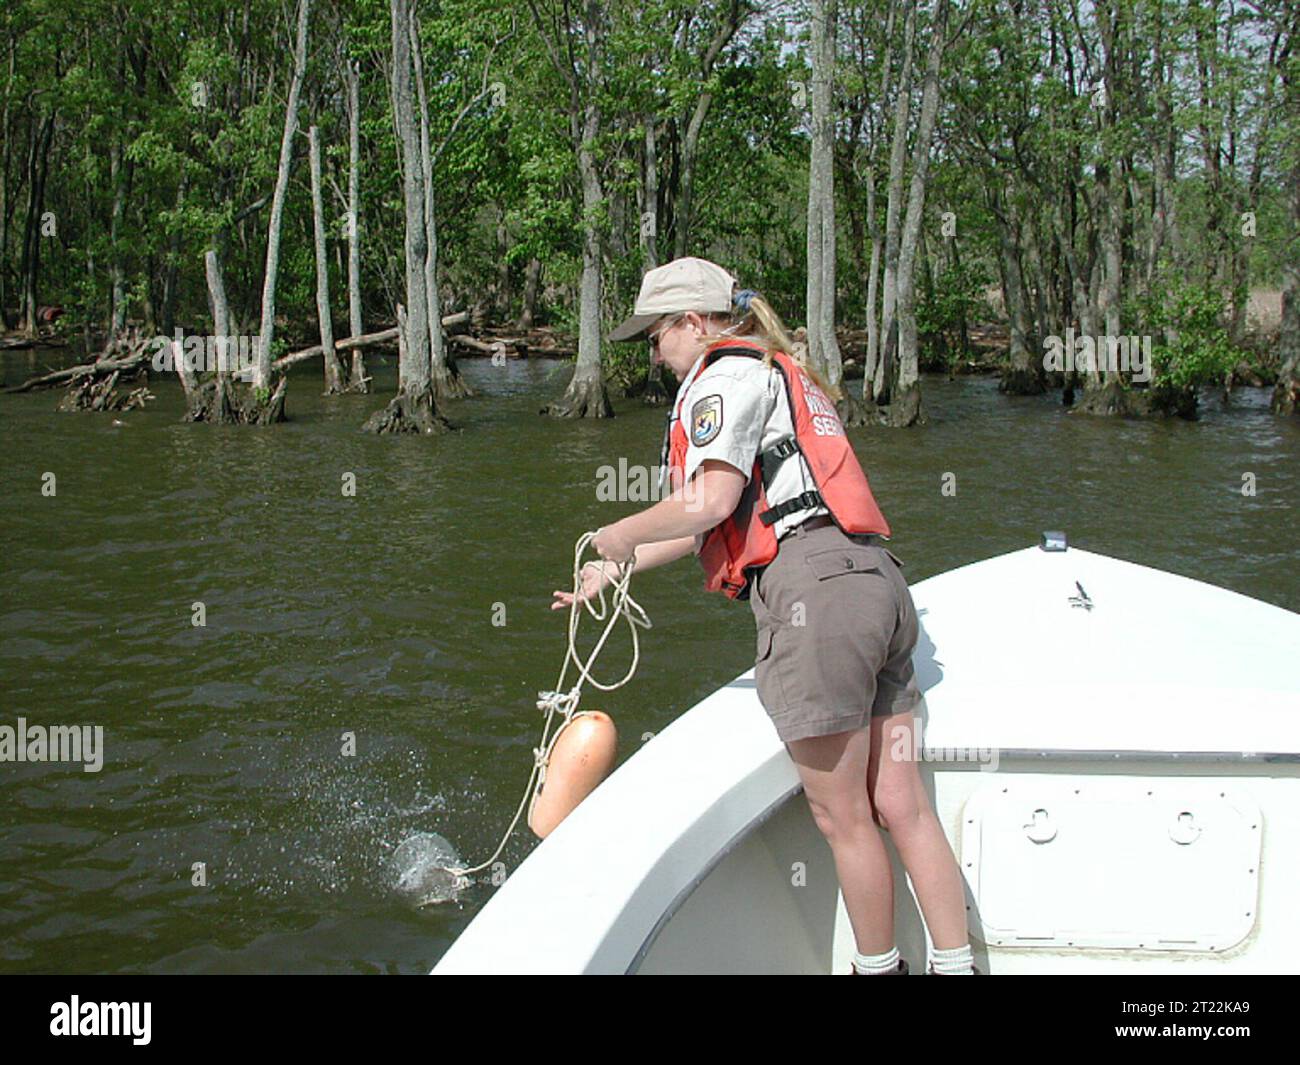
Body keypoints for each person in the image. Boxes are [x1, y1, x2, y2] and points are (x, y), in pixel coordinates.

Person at [552, 256, 978, 976]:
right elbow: (710, 526)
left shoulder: (720, 378)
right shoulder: (781, 370)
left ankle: (880, 970)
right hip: (875, 582)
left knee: (843, 818)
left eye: (655, 336)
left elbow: (712, 503)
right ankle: (957, 964)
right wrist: (617, 569)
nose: (653, 354)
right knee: (902, 806)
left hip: (816, 597)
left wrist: (618, 530)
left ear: (692, 323)